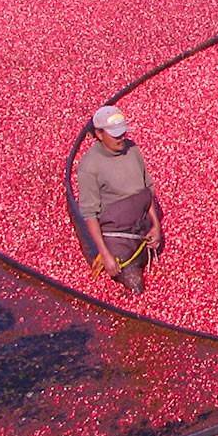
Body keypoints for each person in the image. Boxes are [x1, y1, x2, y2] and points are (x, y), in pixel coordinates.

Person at [76, 105, 162, 294]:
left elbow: (147, 190)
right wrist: (105, 255)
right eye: (115, 135)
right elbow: (89, 214)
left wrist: (156, 226)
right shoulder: (90, 167)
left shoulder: (132, 150)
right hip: (118, 237)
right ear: (99, 134)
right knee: (135, 285)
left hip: (142, 228)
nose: (121, 138)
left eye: (123, 132)